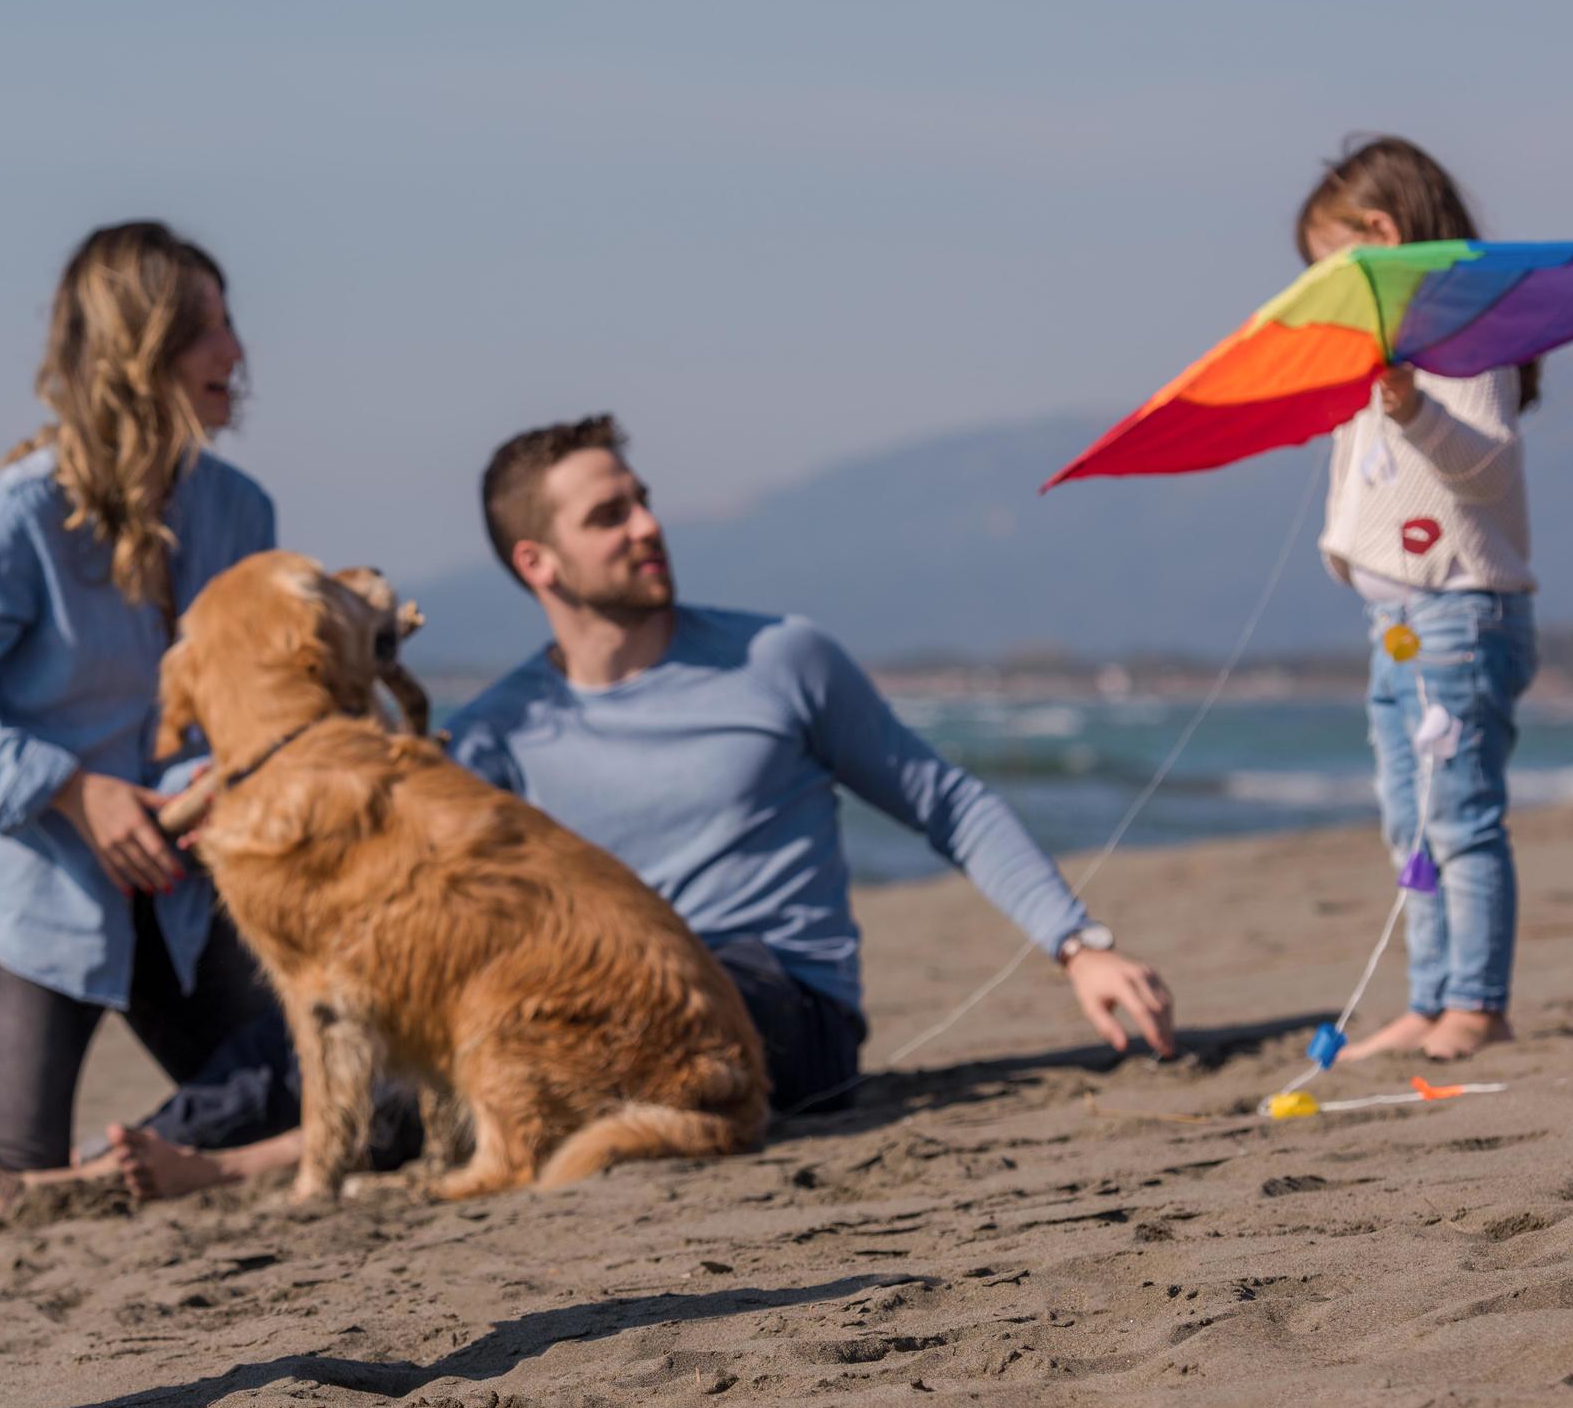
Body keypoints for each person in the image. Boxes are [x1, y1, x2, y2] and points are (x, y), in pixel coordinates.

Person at [445, 415, 1176, 1114]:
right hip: (602, 997)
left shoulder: (780, 659)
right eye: (609, 515)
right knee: (399, 1093)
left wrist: (1078, 947)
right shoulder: (497, 731)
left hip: (784, 1005)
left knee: (647, 1008)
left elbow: (944, 803)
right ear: (535, 562)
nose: (646, 525)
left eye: (642, 501)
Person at [0, 221, 284, 1203]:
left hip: (190, 890)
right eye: (205, 332)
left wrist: (215, 776)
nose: (235, 353)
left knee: (309, 1099)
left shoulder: (243, 513)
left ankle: (104, 1172)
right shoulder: (13, 520)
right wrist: (77, 792)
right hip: (34, 891)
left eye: (230, 324)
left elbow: (243, 702)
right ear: (133, 355)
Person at [1300, 138, 1540, 1064]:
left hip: (1459, 614)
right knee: (1408, 821)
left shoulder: (1462, 338)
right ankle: (1429, 995)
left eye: (1326, 263)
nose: (1319, 282)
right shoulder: (1385, 351)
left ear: (1380, 235)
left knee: (1460, 814)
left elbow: (1485, 469)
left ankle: (1477, 1003)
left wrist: (1410, 411)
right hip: (1395, 624)